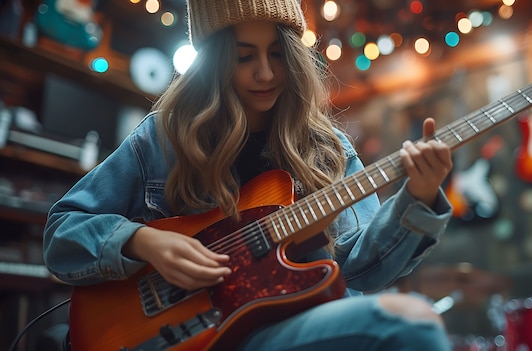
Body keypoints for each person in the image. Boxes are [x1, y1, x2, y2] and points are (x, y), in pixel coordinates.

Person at [43, 0, 455, 350]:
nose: (265, 73)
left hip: (290, 330)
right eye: (244, 56)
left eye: (277, 54)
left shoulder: (329, 150)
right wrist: (143, 241)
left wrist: (417, 196)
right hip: (187, 337)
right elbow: (63, 233)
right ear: (215, 63)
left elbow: (364, 270)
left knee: (410, 324)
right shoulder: (163, 137)